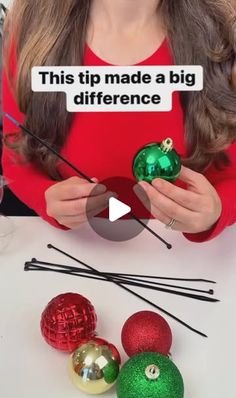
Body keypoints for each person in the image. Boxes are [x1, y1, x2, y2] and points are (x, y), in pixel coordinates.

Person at [1, 0, 236, 242]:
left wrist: (218, 209)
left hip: (190, 256)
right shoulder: (33, 32)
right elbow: (17, 159)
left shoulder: (224, 32)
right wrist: (44, 196)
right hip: (74, 246)